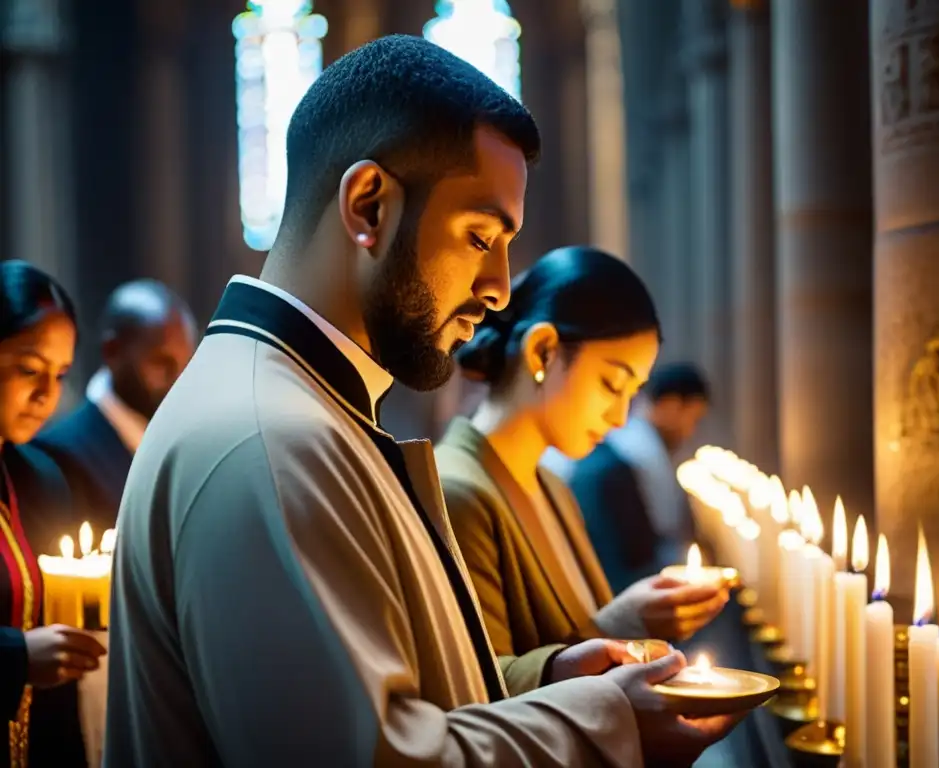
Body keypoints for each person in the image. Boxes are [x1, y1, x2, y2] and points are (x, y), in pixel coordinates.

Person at [104, 36, 743, 767]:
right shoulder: (269, 439)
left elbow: (416, 696)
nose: (501, 287)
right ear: (369, 206)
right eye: (480, 236)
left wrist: (553, 681)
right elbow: (368, 756)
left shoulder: (310, 410)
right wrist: (601, 721)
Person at [435, 247, 727, 660]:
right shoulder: (457, 494)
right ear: (543, 352)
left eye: (631, 394)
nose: (620, 417)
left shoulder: (551, 485)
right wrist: (618, 624)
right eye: (611, 384)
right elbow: (480, 689)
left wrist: (632, 619)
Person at [0, 260, 107, 767]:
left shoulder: (41, 479)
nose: (47, 394)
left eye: (60, 374)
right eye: (28, 368)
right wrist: (16, 658)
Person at [35, 280, 196, 531]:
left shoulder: (183, 443)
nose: (178, 380)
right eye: (161, 363)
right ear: (112, 351)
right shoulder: (58, 455)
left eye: (186, 364)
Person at [566, 362, 710, 593]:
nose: (690, 431)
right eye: (692, 419)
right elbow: (656, 538)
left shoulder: (626, 447)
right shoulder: (634, 460)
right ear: (670, 405)